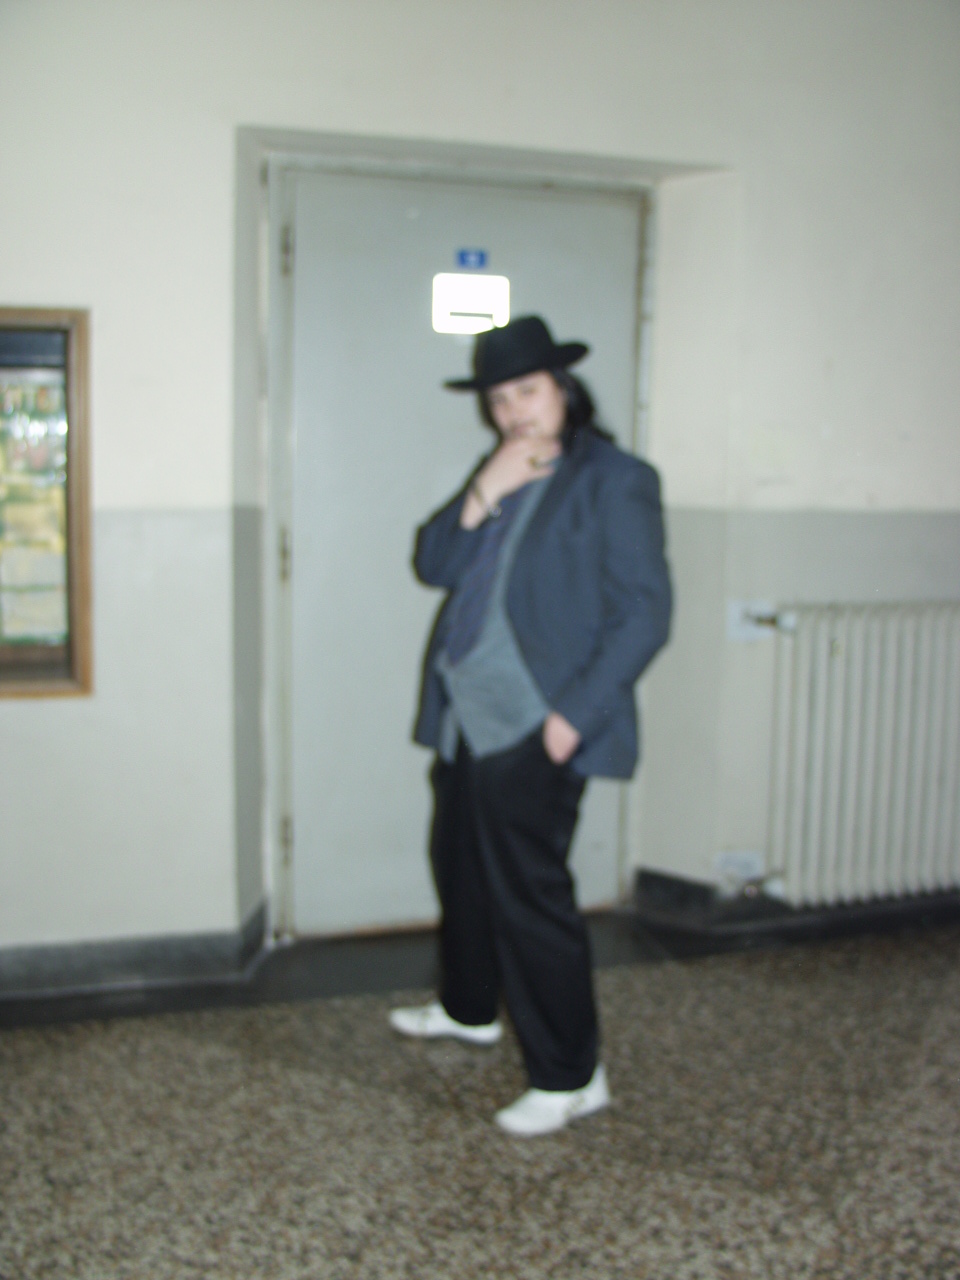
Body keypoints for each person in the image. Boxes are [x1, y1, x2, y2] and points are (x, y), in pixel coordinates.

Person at [389, 315, 672, 1136]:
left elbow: (646, 616)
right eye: (499, 399)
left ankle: (571, 1075)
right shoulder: (503, 471)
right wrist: (487, 485)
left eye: (528, 392)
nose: (514, 412)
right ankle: (469, 1008)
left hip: (537, 723)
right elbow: (433, 562)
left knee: (529, 898)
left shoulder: (615, 479)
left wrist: (572, 718)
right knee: (460, 867)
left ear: (564, 390)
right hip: (464, 716)